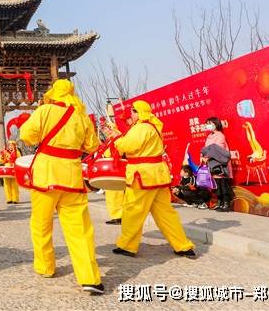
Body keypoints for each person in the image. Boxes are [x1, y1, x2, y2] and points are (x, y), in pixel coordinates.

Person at [19, 79, 104, 295]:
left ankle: (46, 266)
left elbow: (26, 135)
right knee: (80, 229)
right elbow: (92, 145)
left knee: (41, 223)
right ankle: (90, 278)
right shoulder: (81, 116)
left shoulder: (44, 110)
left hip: (46, 173)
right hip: (72, 175)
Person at [108, 100, 196, 259]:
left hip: (142, 176)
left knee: (133, 211)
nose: (131, 115)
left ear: (138, 112)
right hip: (158, 176)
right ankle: (182, 245)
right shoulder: (154, 126)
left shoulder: (141, 128)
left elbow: (127, 146)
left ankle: (127, 245)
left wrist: (116, 138)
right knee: (166, 213)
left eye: (133, 111)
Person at [201, 117, 233, 212]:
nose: (208, 125)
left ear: (216, 124)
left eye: (210, 123)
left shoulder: (220, 135)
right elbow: (206, 149)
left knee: (223, 184)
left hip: (220, 164)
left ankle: (226, 203)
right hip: (212, 164)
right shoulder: (209, 136)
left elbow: (217, 150)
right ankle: (220, 202)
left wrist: (207, 154)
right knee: (216, 185)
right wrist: (203, 156)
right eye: (207, 123)